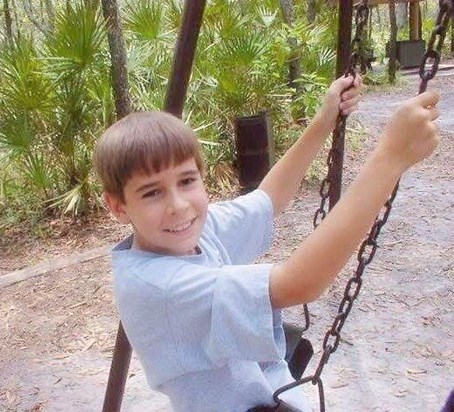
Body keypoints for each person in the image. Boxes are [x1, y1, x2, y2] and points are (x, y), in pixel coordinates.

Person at [94, 75, 440, 412]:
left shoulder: (189, 231)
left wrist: (323, 121)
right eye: (152, 192)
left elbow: (269, 199)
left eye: (186, 181)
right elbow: (300, 282)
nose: (178, 205)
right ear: (118, 206)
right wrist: (389, 159)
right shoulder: (159, 287)